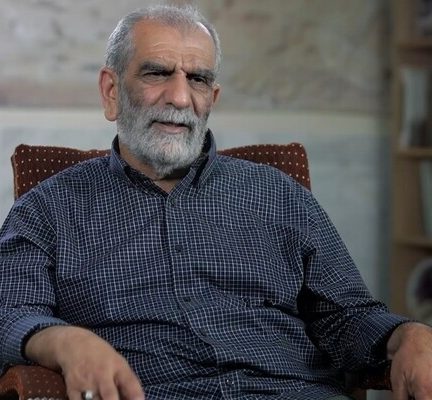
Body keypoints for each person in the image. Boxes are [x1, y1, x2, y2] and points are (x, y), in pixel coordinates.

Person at [0, 4, 432, 400]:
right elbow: (10, 314)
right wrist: (65, 341)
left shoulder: (278, 194)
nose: (180, 98)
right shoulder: (48, 209)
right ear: (111, 91)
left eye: (198, 79)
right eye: (157, 73)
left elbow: (348, 316)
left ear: (213, 98)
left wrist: (406, 335)